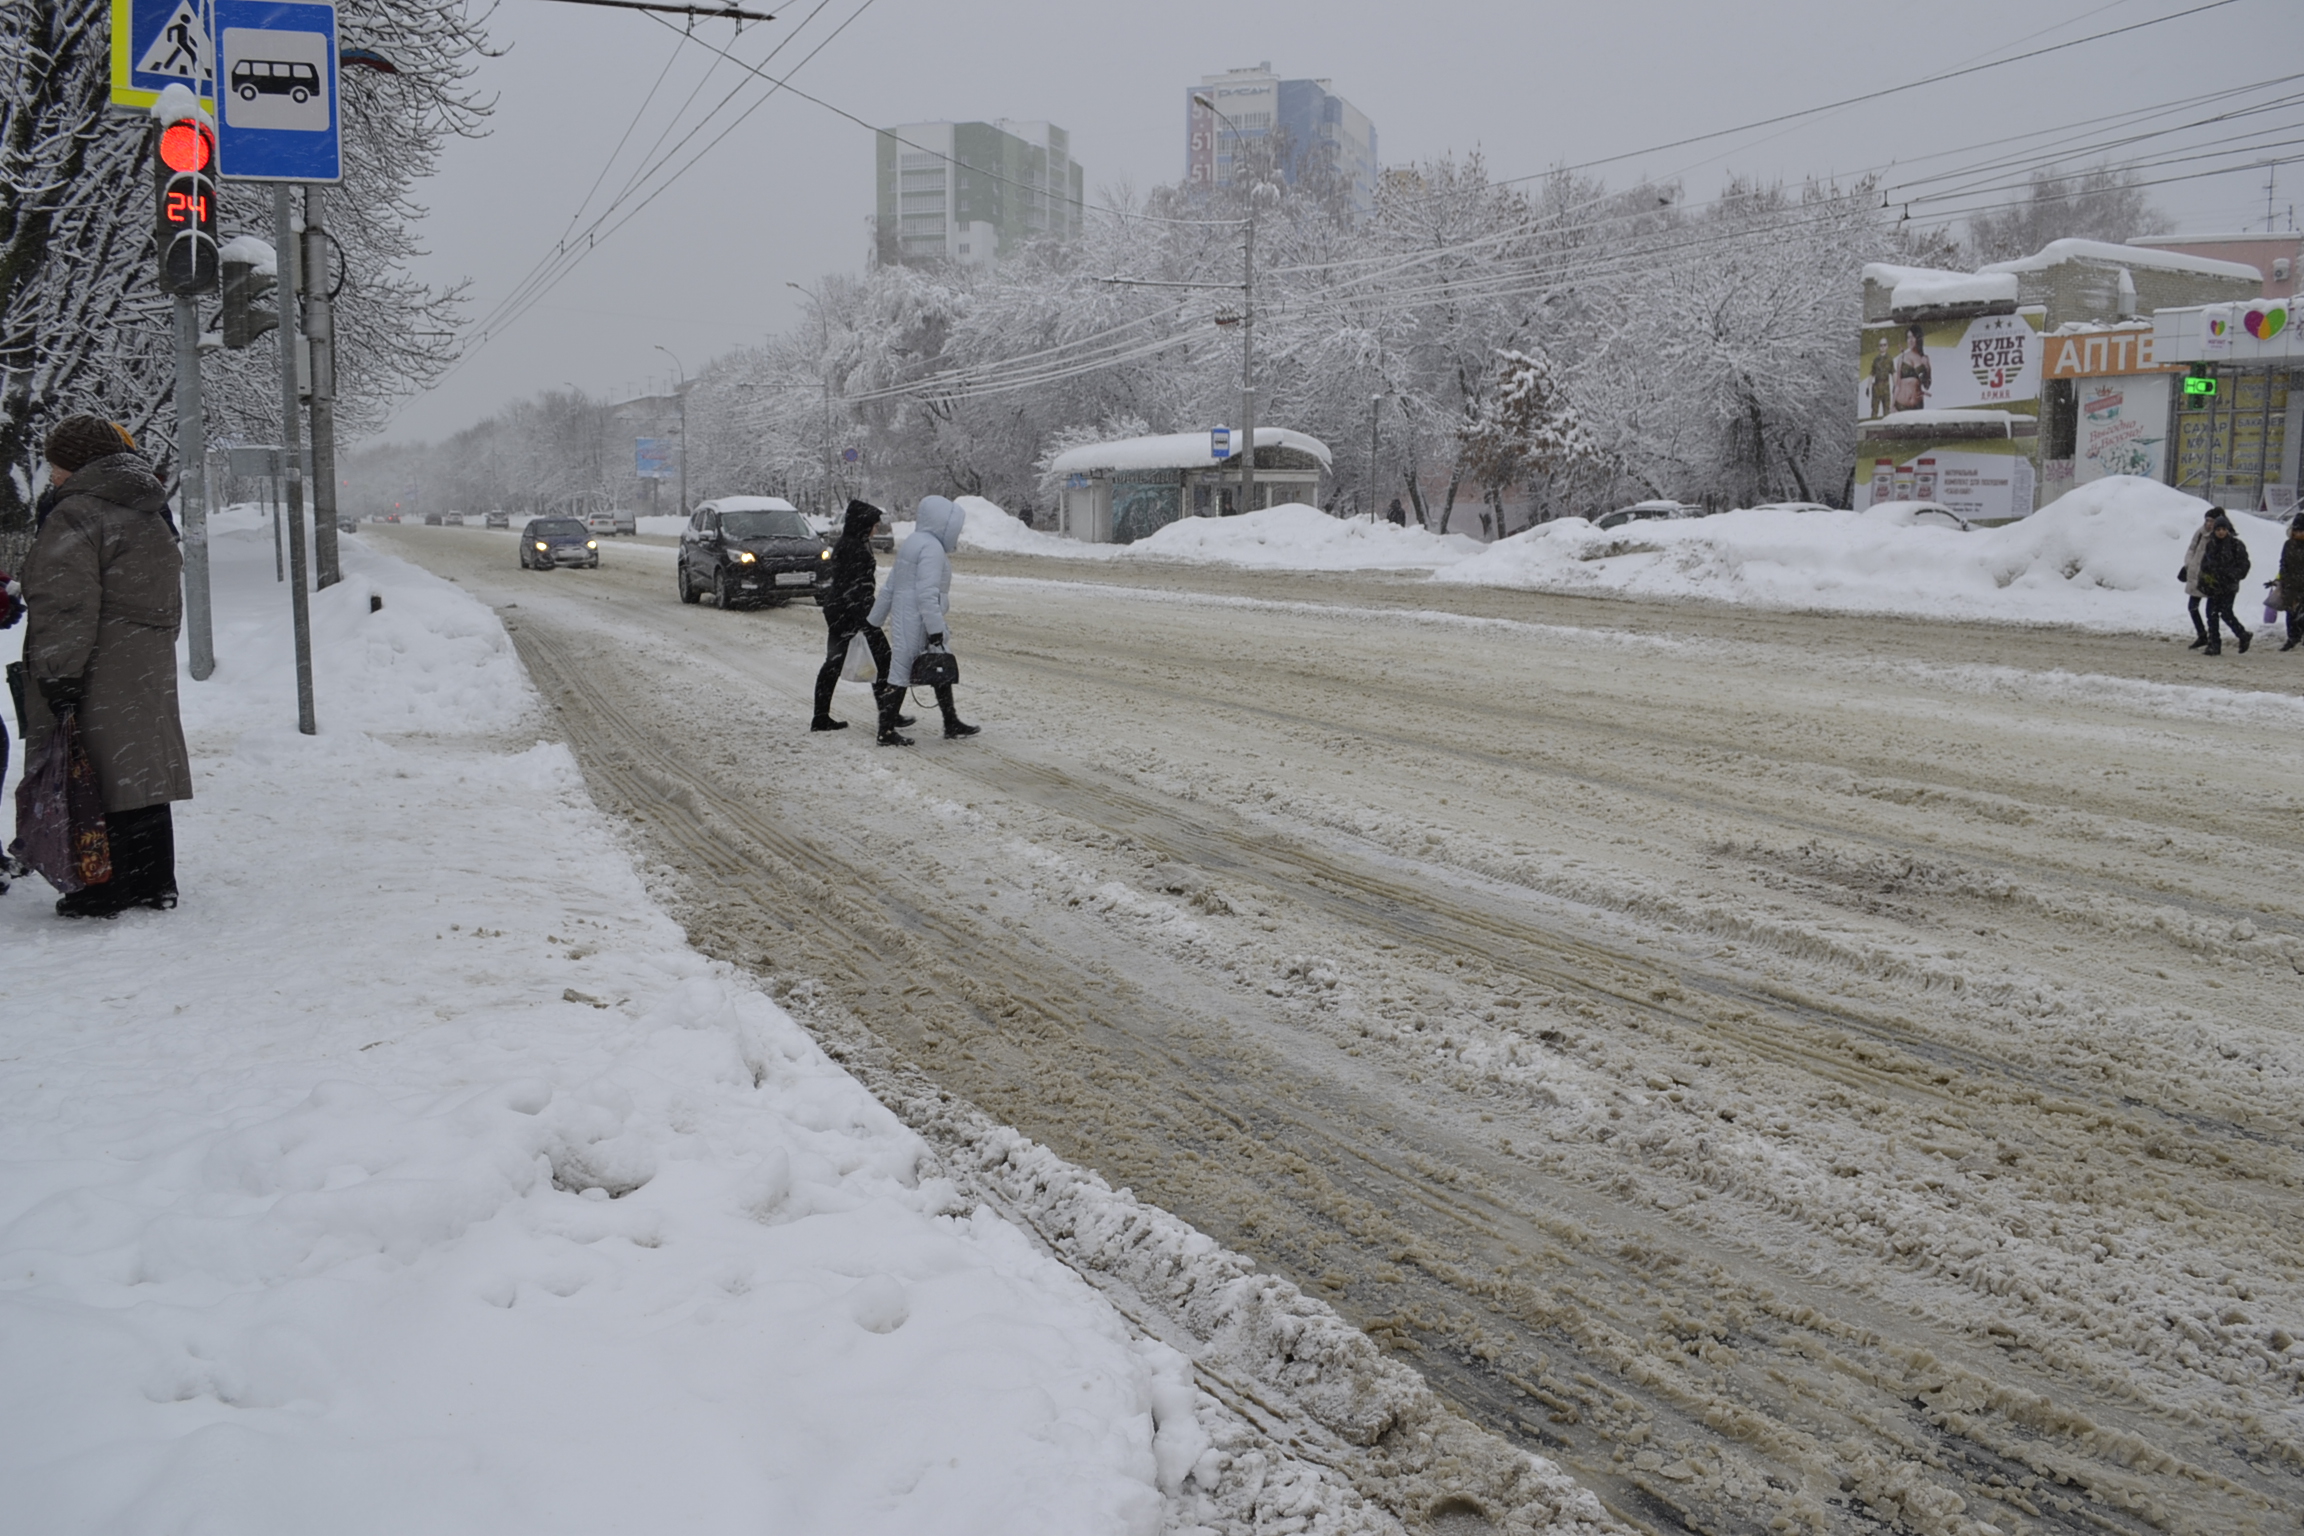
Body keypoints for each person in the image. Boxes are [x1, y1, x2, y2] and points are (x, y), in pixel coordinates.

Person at [18, 414, 191, 916]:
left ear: (77, 464)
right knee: (137, 770)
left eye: (56, 466)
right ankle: (155, 881)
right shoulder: (148, 507)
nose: (52, 476)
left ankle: (102, 888)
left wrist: (57, 671)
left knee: (90, 774)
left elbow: (65, 601)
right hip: (143, 656)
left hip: (93, 657)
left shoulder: (78, 513)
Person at [867, 495, 976, 746]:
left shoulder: (913, 542)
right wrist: (935, 629)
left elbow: (891, 585)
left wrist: (874, 620)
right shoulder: (932, 548)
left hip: (905, 614)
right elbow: (928, 593)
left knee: (938, 665)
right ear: (943, 524)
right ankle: (885, 732)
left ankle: (951, 721)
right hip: (918, 618)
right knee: (902, 671)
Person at [810, 497, 910, 733]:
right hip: (852, 614)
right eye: (874, 525)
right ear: (864, 525)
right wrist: (867, 620)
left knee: (834, 664)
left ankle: (821, 717)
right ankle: (888, 716)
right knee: (883, 660)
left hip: (840, 611)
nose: (877, 529)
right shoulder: (855, 548)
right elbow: (856, 589)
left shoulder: (850, 543)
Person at [2196, 512, 2253, 656]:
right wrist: (2203, 580)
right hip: (2214, 585)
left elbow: (2244, 564)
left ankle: (2242, 634)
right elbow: (2205, 564)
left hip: (2228, 586)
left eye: (2223, 529)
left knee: (2226, 613)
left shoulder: (2236, 545)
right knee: (2211, 614)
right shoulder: (2211, 544)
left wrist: (2233, 575)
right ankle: (2214, 644)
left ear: (2228, 530)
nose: (2221, 532)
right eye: (2218, 529)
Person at [2179, 505, 2224, 648]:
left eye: (2212, 521)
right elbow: (2192, 548)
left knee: (2211, 612)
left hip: (2210, 578)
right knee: (2192, 607)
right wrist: (2189, 564)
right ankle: (2202, 635)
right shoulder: (2200, 532)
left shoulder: (2220, 536)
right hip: (2196, 574)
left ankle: (2213, 639)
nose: (2209, 524)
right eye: (2207, 520)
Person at [2277, 513, 2304, 651]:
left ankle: (2300, 635)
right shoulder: (2288, 545)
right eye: (2296, 530)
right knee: (2291, 612)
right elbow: (2283, 563)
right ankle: (2292, 637)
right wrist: (2283, 578)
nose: (2298, 533)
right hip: (2291, 585)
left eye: (2301, 531)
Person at [1891, 325, 1931, 413]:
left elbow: (1927, 385)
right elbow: (1897, 385)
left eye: (1913, 337)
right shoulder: (1902, 358)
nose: (1911, 340)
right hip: (1901, 405)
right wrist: (1892, 405)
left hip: (1917, 405)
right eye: (1908, 337)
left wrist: (1927, 367)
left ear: (1918, 338)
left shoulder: (1924, 358)